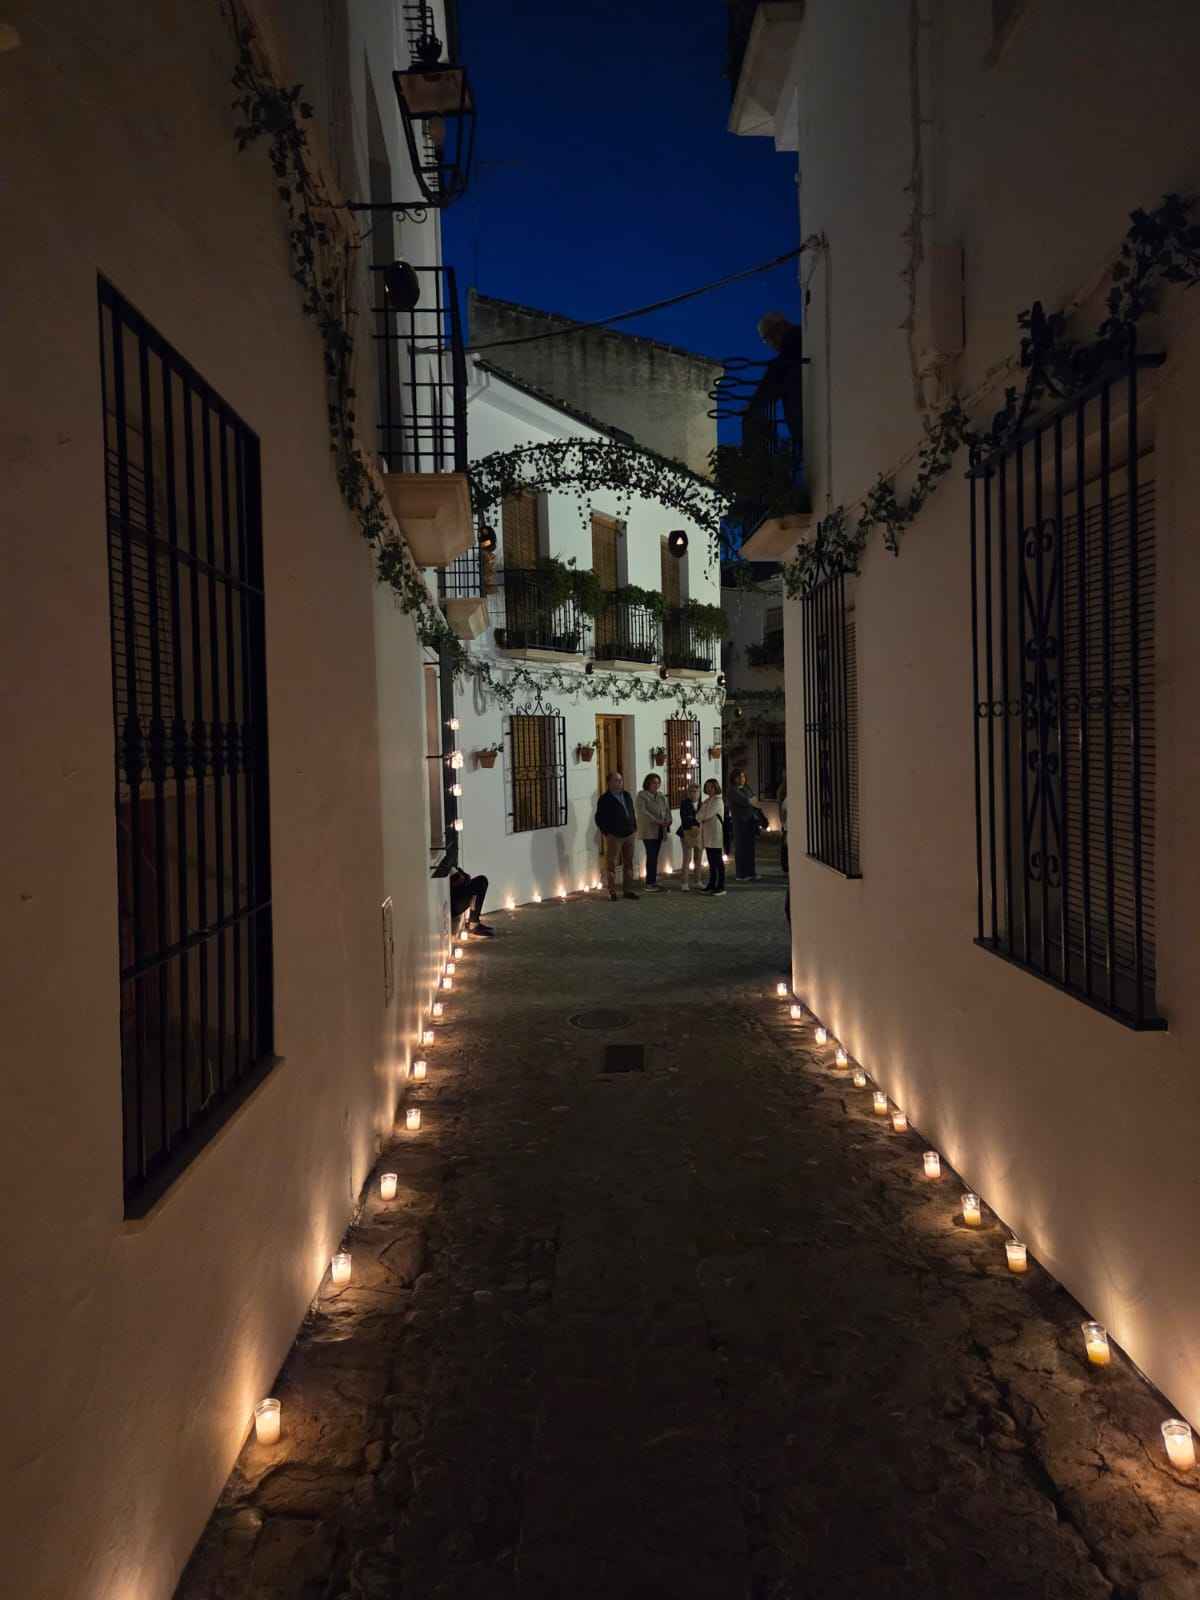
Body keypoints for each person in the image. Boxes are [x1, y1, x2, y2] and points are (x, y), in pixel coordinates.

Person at [595, 771, 639, 902]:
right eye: (616, 780)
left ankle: (628, 890)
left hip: (629, 834)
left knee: (628, 863)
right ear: (609, 783)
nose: (619, 783)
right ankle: (612, 891)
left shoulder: (626, 795)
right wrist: (607, 832)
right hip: (615, 835)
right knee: (612, 863)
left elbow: (631, 811)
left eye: (620, 780)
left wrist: (634, 826)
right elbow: (599, 818)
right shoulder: (605, 799)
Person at [635, 772, 672, 891]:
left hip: (660, 831)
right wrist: (657, 821)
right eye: (654, 783)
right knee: (651, 855)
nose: (656, 785)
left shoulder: (661, 796)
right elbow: (643, 813)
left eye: (658, 783)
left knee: (655, 856)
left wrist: (668, 820)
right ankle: (649, 883)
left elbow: (667, 810)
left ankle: (653, 880)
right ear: (648, 783)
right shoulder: (642, 796)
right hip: (649, 831)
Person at [728, 768, 761, 882]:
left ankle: (751, 872)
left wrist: (751, 801)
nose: (742, 779)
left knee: (750, 848)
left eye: (743, 776)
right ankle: (741, 874)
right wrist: (751, 801)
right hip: (740, 823)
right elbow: (746, 801)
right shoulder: (733, 790)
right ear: (734, 778)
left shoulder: (747, 788)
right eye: (739, 777)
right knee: (741, 848)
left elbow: (755, 800)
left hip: (750, 821)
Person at [697, 778, 726, 896]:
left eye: (711, 787)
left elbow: (707, 815)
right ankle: (711, 884)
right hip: (707, 834)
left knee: (718, 861)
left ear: (716, 788)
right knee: (711, 862)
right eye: (707, 786)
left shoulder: (718, 801)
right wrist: (701, 816)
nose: (709, 789)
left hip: (715, 834)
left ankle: (721, 886)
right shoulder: (707, 801)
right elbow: (698, 815)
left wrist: (702, 816)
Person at [449, 865, 494, 936]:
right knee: (480, 883)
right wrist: (463, 877)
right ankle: (473, 924)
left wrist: (464, 877)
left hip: (454, 901)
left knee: (481, 882)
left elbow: (465, 878)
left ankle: (474, 923)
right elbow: (460, 879)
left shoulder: (451, 865)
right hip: (453, 906)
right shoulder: (448, 866)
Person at [676, 782, 703, 891]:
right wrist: (694, 825)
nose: (694, 794)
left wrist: (698, 826)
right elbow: (685, 818)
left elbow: (704, 817)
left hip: (700, 834)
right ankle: (684, 883)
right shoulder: (684, 803)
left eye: (696, 791)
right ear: (688, 793)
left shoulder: (702, 804)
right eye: (691, 791)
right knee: (687, 858)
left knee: (698, 859)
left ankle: (697, 881)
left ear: (699, 793)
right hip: (687, 833)